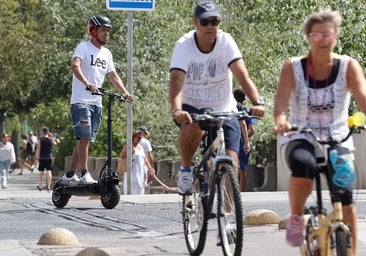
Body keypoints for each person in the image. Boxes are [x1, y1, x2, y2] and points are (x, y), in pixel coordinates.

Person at [273, 9, 366, 255]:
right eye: (317, 35)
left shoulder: (348, 66)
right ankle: (295, 216)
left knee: (345, 197)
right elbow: (280, 104)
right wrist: (281, 120)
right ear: (307, 37)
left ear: (335, 36)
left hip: (338, 137)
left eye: (328, 34)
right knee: (305, 165)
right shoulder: (292, 68)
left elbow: (363, 98)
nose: (323, 40)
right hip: (301, 135)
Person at [169, 0, 265, 195]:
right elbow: (176, 83)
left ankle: (228, 217)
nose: (210, 26)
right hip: (193, 104)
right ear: (195, 22)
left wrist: (258, 102)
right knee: (192, 127)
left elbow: (242, 76)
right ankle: (186, 169)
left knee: (232, 159)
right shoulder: (184, 45)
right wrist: (177, 110)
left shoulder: (226, 41)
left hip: (224, 106)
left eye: (215, 21)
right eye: (205, 22)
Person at [60, 15, 133, 186]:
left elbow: (113, 76)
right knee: (84, 139)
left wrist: (125, 92)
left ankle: (70, 175)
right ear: (93, 31)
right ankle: (85, 173)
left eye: (108, 31)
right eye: (103, 30)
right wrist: (87, 83)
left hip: (96, 103)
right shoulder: (83, 47)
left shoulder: (107, 53)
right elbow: (75, 66)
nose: (106, 34)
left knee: (84, 140)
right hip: (81, 101)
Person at [233, 88, 256, 192]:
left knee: (233, 167)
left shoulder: (230, 109)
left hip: (232, 140)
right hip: (243, 142)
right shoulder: (247, 111)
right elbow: (252, 130)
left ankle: (232, 191)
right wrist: (246, 138)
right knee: (243, 170)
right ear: (244, 99)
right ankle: (241, 193)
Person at [120, 130, 155, 194]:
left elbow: (145, 158)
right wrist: (130, 152)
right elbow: (122, 155)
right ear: (134, 137)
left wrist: (150, 168)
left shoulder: (140, 146)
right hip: (132, 171)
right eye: (138, 138)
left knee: (140, 187)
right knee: (134, 186)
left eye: (141, 138)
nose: (139, 140)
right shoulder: (129, 145)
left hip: (140, 171)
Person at [35, 127, 57, 192]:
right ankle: (49, 187)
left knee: (41, 172)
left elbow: (38, 149)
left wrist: (36, 158)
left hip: (42, 157)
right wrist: (52, 137)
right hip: (49, 157)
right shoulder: (50, 139)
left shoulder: (40, 139)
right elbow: (55, 144)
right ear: (48, 132)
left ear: (43, 132)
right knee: (49, 171)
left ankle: (40, 186)